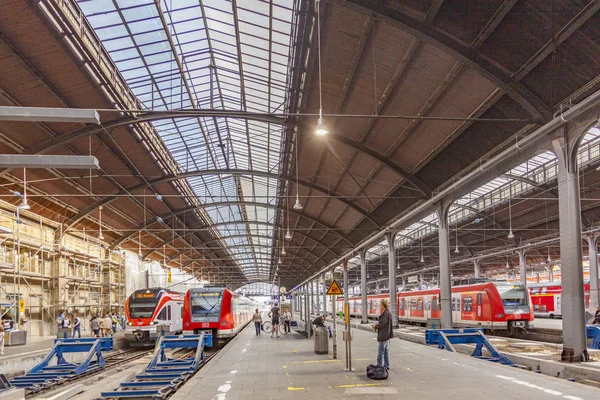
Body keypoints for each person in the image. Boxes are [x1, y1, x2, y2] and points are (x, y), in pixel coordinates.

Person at [372, 299, 393, 371]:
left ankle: (379, 365)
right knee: (386, 351)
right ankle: (386, 365)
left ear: (383, 306)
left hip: (384, 335)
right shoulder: (388, 313)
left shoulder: (385, 314)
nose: (379, 306)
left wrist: (375, 326)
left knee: (381, 351)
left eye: (380, 305)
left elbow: (381, 324)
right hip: (386, 335)